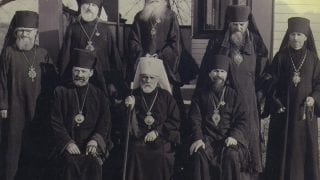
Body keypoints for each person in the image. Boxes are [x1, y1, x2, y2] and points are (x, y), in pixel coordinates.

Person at [197, 5, 269, 175]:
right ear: (229, 23)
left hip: (248, 98)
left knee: (248, 136)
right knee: (224, 138)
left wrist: (259, 94)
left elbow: (265, 73)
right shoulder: (216, 42)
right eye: (235, 24)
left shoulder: (257, 43)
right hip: (224, 97)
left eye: (242, 24)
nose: (238, 28)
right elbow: (206, 70)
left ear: (247, 24)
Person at [0, 11, 58, 180]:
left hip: (37, 107)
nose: (24, 34)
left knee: (35, 144)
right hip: (14, 107)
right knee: (13, 148)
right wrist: (2, 104)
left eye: (28, 30)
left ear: (35, 33)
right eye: (21, 30)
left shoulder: (43, 54)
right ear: (15, 33)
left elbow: (52, 81)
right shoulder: (9, 53)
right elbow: (1, 79)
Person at [265, 17, 320, 180]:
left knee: (302, 151)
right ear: (288, 36)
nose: (295, 38)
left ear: (306, 37)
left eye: (299, 34)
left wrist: (314, 98)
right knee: (282, 149)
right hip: (284, 113)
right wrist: (276, 102)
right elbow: (270, 82)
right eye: (292, 34)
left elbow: (319, 83)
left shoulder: (313, 59)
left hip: (304, 115)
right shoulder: (280, 57)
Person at [50, 49, 112, 180]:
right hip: (68, 144)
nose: (79, 74)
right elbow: (55, 121)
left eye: (83, 71)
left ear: (91, 73)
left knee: (94, 163)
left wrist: (95, 141)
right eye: (76, 70)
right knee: (70, 163)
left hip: (91, 145)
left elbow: (105, 121)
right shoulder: (61, 92)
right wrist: (67, 143)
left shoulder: (99, 95)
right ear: (72, 71)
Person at [188, 55, 249, 180]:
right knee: (199, 153)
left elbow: (242, 119)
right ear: (209, 73)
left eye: (222, 71)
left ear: (227, 74)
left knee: (231, 155)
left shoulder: (234, 95)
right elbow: (195, 118)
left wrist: (234, 136)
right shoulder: (200, 94)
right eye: (215, 71)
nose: (218, 75)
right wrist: (198, 138)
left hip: (228, 138)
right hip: (207, 139)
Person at [124, 57, 181, 180]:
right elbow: (126, 124)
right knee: (134, 152)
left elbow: (175, 121)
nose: (148, 80)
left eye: (152, 77)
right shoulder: (133, 95)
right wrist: (130, 108)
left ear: (158, 78)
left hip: (162, 137)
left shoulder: (166, 97)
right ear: (140, 77)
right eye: (144, 77)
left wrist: (157, 131)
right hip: (139, 138)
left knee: (162, 156)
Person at [127, 0, 185, 117]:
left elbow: (175, 43)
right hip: (144, 63)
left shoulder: (171, 16)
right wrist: (143, 54)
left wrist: (159, 55)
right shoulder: (139, 16)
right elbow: (133, 40)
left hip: (164, 66)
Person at [58, 0, 124, 97]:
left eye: (93, 5)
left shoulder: (105, 29)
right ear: (81, 6)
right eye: (87, 4)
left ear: (98, 9)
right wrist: (64, 81)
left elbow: (114, 57)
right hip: (78, 80)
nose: (89, 8)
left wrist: (115, 82)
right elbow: (65, 57)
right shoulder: (73, 28)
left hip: (102, 81)